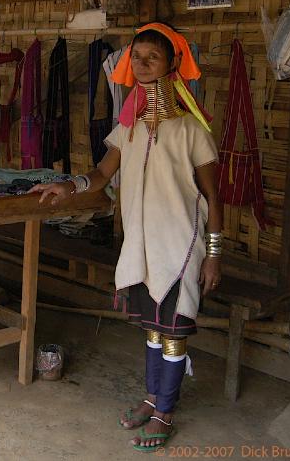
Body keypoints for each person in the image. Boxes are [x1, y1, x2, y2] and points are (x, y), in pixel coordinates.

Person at [30, 23, 223, 453]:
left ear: (173, 62)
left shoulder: (191, 130)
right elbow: (102, 175)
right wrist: (69, 186)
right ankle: (151, 399)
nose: (142, 64)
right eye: (136, 58)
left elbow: (213, 194)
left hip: (181, 247)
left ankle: (165, 412)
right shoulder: (129, 127)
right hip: (141, 246)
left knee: (173, 332)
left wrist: (214, 254)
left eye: (152, 57)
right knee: (152, 332)